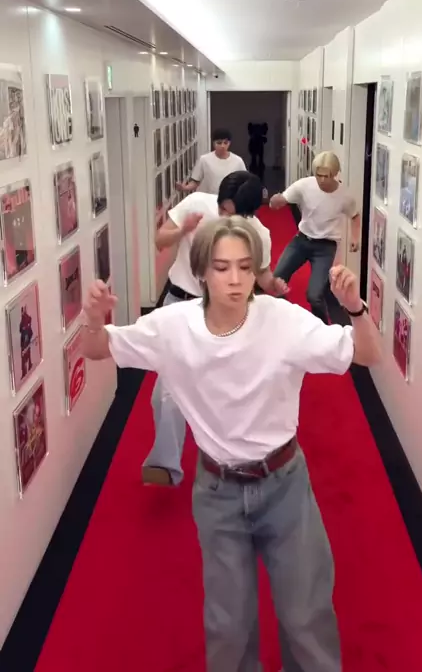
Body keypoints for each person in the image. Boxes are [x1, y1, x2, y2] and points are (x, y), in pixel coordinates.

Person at [81, 216, 381, 672]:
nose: (236, 279)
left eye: (245, 267)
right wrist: (92, 317)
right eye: (222, 268)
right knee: (228, 625)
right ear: (202, 271)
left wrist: (355, 309)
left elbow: (366, 355)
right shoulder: (172, 327)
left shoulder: (282, 321)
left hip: (284, 483)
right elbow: (98, 348)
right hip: (218, 490)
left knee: (306, 615)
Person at [143, 171, 287, 487]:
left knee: (226, 390)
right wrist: (183, 230)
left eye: (232, 214)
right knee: (165, 393)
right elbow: (159, 240)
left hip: (225, 314)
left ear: (249, 213)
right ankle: (166, 464)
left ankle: (232, 459)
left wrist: (273, 285)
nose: (223, 217)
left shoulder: (258, 234)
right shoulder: (196, 203)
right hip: (180, 305)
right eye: (222, 209)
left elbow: (263, 275)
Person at [270, 151, 361, 326]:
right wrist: (276, 201)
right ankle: (284, 317)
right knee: (277, 278)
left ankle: (321, 327)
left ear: (335, 174)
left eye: (327, 176)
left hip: (325, 247)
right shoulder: (304, 185)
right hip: (302, 240)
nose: (322, 180)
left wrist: (355, 238)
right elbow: (282, 199)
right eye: (319, 175)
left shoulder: (344, 195)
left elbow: (355, 216)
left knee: (314, 295)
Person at [176, 127, 246, 195]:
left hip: (228, 199)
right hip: (207, 199)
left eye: (225, 143)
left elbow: (244, 182)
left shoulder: (238, 161)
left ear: (229, 143)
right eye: (219, 143)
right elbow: (196, 181)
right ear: (213, 143)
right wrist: (185, 188)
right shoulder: (204, 159)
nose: (222, 146)